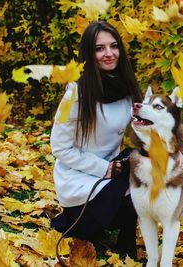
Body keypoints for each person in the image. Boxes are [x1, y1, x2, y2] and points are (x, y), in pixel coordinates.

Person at [50, 20, 143, 259]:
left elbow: (145, 134)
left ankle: (126, 240)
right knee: (137, 193)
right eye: (100, 48)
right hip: (80, 180)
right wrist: (104, 169)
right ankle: (92, 226)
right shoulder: (76, 92)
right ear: (89, 55)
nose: (109, 53)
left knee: (152, 172)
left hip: (113, 170)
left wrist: (178, 156)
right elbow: (60, 147)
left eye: (113, 46)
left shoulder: (126, 87)